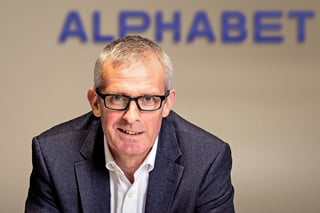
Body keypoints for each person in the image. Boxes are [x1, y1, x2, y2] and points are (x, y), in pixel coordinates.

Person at [25, 35, 235, 213]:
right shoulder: (53, 156)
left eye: (148, 99)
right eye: (117, 98)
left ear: (167, 104)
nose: (131, 116)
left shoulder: (207, 161)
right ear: (95, 103)